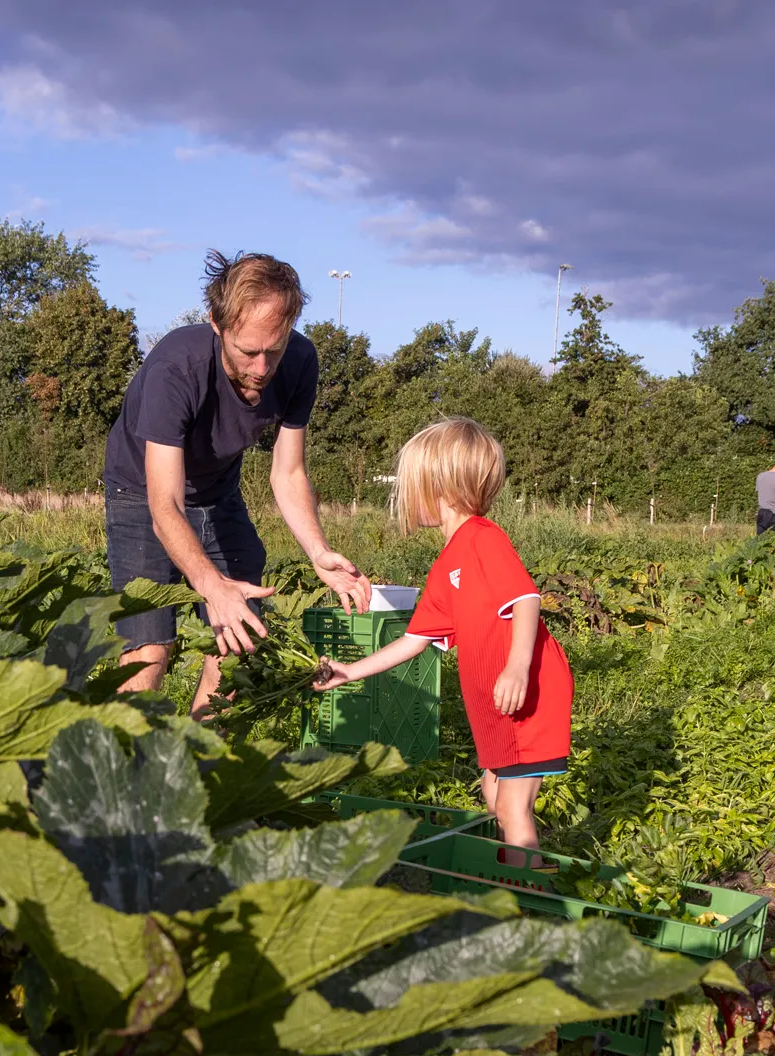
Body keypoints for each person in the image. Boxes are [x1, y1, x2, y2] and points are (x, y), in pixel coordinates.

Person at [103, 250, 372, 715]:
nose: (262, 368)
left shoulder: (301, 361)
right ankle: (119, 769)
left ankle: (200, 761)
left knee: (239, 640)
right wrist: (212, 585)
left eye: (275, 348)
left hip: (218, 493)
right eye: (248, 351)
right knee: (147, 651)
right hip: (141, 494)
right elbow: (164, 504)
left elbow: (287, 472)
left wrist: (318, 551)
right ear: (216, 324)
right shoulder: (176, 368)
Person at [314, 417, 573, 862]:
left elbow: (527, 599)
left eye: (411, 484)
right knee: (494, 797)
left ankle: (531, 903)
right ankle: (517, 877)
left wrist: (517, 666)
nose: (405, 496)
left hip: (527, 693)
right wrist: (349, 671)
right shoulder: (448, 561)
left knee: (512, 806)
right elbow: (415, 639)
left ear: (442, 487)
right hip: (495, 704)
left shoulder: (482, 539)